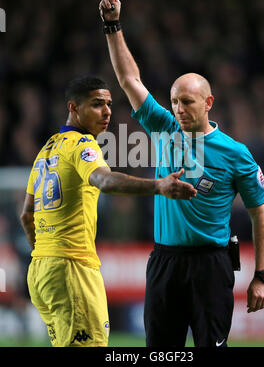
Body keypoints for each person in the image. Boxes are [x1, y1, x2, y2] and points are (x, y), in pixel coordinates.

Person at [99, 0, 264, 347]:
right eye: (174, 101)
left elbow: (260, 214)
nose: (178, 108)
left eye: (187, 101)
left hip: (212, 264)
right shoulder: (163, 127)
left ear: (208, 102)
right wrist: (112, 25)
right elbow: (129, 80)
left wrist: (263, 276)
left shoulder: (236, 153)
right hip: (165, 261)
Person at [20, 76, 197, 347]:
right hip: (72, 268)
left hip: (41, 270)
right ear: (73, 108)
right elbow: (104, 180)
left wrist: (45, 254)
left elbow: (26, 216)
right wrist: (158, 185)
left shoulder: (46, 150)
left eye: (109, 104)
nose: (107, 111)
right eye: (97, 104)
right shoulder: (81, 145)